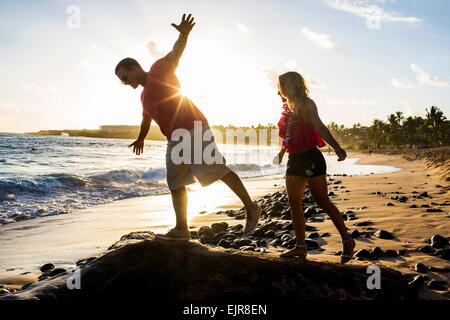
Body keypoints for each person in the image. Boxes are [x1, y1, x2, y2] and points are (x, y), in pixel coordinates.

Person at [114, 14, 261, 240]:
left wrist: (183, 35)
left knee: (216, 170)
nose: (125, 83)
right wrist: (141, 137)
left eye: (124, 77)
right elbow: (146, 119)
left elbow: (175, 54)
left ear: (134, 67)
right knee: (175, 182)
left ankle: (251, 207)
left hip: (193, 128)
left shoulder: (158, 69)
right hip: (174, 139)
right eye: (121, 82)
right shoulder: (143, 96)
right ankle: (182, 230)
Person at [273, 71, 355, 263]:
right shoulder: (287, 109)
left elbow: (320, 126)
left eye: (282, 87)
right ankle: (300, 247)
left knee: (322, 201)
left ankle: (347, 240)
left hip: (311, 158)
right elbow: (289, 137)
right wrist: (281, 154)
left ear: (291, 86)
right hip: (294, 160)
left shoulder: (307, 105)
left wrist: (337, 147)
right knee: (294, 203)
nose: (279, 91)